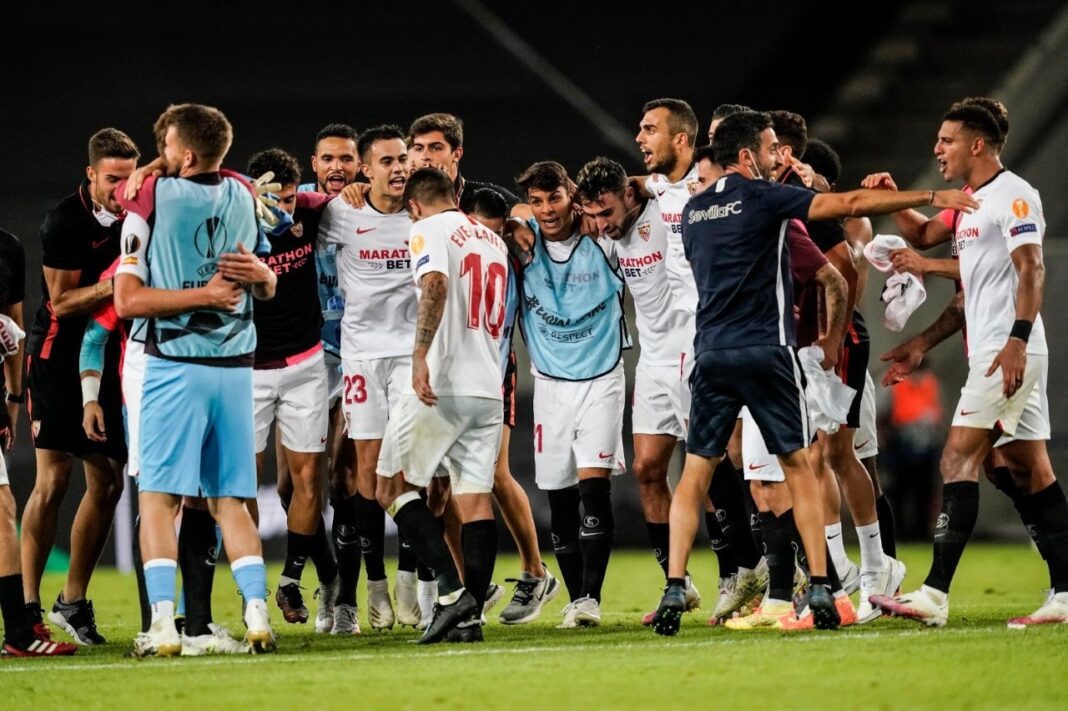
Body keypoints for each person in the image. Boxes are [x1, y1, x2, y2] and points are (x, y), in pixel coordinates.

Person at [650, 109, 976, 635]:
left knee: (694, 474)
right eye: (769, 147)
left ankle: (674, 583)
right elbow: (849, 206)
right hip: (767, 352)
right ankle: (824, 584)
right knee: (802, 467)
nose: (776, 156)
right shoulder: (763, 197)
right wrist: (932, 197)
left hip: (710, 354)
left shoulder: (692, 212)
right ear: (746, 155)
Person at [869, 103, 1068, 627]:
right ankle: (1067, 592)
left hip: (1008, 348)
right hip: (992, 348)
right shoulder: (966, 204)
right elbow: (923, 239)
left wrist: (1017, 340)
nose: (937, 149)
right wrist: (920, 344)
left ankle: (933, 595)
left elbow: (1032, 268)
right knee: (1019, 468)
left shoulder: (1015, 195)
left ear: (976, 144)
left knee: (957, 457)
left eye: (947, 140)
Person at [114, 103, 278, 656]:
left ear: (183, 155)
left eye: (163, 149)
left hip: (175, 364)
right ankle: (257, 617)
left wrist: (203, 295)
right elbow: (264, 278)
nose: (154, 157)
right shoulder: (245, 194)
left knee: (159, 500)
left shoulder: (152, 195)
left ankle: (163, 624)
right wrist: (260, 279)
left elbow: (127, 301)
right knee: (231, 500)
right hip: (235, 367)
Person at [374, 167, 510, 643]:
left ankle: (453, 595)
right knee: (475, 500)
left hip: (443, 382)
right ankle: (470, 622)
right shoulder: (492, 241)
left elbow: (434, 284)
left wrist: (419, 356)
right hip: (487, 384)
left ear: (414, 205)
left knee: (389, 486)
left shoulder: (427, 228)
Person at [22, 128, 138, 645]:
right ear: (91, 174)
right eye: (112, 179)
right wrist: (118, 284)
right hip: (56, 356)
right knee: (53, 481)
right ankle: (26, 610)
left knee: (109, 483)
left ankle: (72, 602)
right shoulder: (64, 221)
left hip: (108, 356)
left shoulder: (139, 213)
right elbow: (62, 303)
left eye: (129, 178)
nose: (121, 188)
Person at [574, 157, 702, 621]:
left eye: (607, 212)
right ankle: (678, 583)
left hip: (691, 348)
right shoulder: (608, 234)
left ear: (629, 194)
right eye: (592, 215)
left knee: (709, 466)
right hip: (651, 360)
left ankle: (739, 571)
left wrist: (648, 183)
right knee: (647, 469)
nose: (601, 225)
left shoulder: (664, 209)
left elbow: (688, 184)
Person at [511, 161, 628, 629]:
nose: (546, 210)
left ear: (571, 195)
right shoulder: (521, 244)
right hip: (549, 385)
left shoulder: (603, 238)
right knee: (559, 498)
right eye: (536, 202)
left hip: (602, 377)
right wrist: (516, 218)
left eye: (554, 198)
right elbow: (496, 210)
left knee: (594, 489)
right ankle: (575, 597)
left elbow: (631, 196)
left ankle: (590, 599)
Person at [318, 124, 413, 631]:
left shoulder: (427, 211)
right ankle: (374, 586)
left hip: (413, 360)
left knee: (415, 473)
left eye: (403, 159)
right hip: (358, 360)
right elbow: (292, 220)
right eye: (388, 161)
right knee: (369, 478)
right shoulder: (340, 212)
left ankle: (414, 581)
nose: (399, 168)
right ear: (367, 169)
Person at [245, 149, 340, 629]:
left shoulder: (312, 209)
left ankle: (290, 580)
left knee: (308, 482)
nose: (282, 209)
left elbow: (363, 202)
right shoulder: (235, 221)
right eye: (272, 200)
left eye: (288, 199)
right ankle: (250, 591)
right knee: (243, 484)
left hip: (306, 364)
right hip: (250, 370)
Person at [464, 188, 560, 626]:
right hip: (453, 378)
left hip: (495, 373)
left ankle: (534, 572)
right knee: (443, 484)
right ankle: (469, 586)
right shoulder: (450, 242)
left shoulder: (509, 251)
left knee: (494, 474)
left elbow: (526, 208)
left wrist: (519, 220)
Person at [297, 123, 361, 634]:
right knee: (291, 488)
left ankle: (345, 602)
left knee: (344, 480)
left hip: (354, 355)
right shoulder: (293, 206)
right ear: (314, 164)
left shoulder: (371, 207)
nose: (337, 167)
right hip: (301, 358)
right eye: (328, 158)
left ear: (359, 164)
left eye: (346, 158)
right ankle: (328, 577)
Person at [0, 227, 76, 657]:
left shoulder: (8, 247)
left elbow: (10, 327)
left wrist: (12, 397)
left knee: (2, 507)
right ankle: (19, 631)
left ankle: (19, 631)